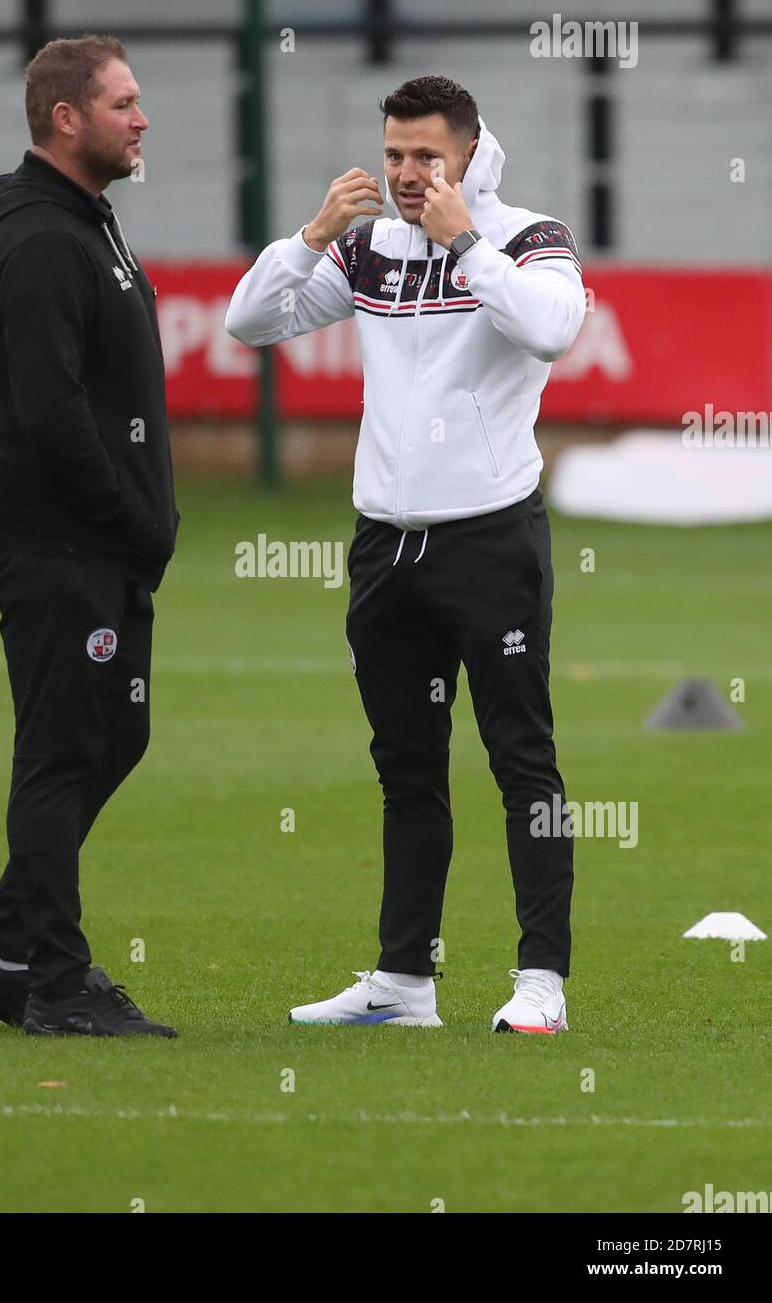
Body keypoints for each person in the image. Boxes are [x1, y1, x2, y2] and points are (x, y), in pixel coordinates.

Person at [225, 75, 586, 1033]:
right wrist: (308, 238)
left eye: (426, 155)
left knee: (522, 761)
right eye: (394, 155)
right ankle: (404, 983)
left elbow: (552, 329)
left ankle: (540, 982)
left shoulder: (529, 236)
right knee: (406, 767)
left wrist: (466, 240)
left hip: (490, 537)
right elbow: (248, 322)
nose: (407, 174)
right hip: (385, 543)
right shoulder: (369, 249)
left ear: (468, 153)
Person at [0, 35, 179, 1038]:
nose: (142, 118)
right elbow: (48, 413)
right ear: (66, 119)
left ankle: (4, 950)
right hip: (53, 536)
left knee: (112, 732)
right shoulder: (39, 240)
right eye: (123, 103)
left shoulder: (85, 220)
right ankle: (55, 980)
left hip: (92, 539)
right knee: (60, 748)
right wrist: (131, 520)